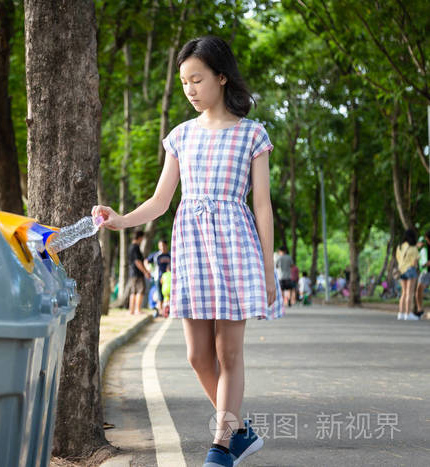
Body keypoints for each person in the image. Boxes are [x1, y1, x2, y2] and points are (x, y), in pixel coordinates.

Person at [93, 35, 283, 467]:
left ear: (221, 76)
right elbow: (161, 201)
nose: (190, 89)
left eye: (197, 79)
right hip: (193, 248)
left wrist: (269, 270)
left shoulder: (253, 134)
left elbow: (262, 205)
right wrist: (120, 218)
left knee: (228, 352)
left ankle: (220, 446)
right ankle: (240, 431)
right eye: (183, 83)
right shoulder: (180, 136)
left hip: (236, 245)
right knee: (197, 356)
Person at [396, 228, 419, 320]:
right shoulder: (414, 248)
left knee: (403, 293)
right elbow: (414, 263)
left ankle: (400, 313)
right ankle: (408, 314)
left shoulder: (400, 247)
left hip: (401, 270)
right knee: (410, 293)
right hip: (410, 270)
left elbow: (398, 259)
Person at [127, 230, 151, 315]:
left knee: (133, 291)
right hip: (137, 272)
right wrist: (145, 272)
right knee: (140, 290)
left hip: (132, 272)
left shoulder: (130, 247)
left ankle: (131, 310)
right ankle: (137, 310)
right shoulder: (136, 247)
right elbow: (137, 261)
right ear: (140, 237)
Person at [146, 239, 172, 313]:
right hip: (158, 277)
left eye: (163, 245)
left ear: (166, 245)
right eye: (160, 246)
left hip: (168, 278)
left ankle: (167, 310)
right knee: (159, 293)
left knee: (167, 294)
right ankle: (160, 310)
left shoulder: (170, 255)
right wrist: (148, 270)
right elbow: (146, 261)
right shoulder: (156, 255)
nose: (162, 247)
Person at [415, 230, 430, 318]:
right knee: (418, 290)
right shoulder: (424, 247)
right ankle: (420, 309)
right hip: (425, 271)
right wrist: (418, 246)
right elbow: (416, 250)